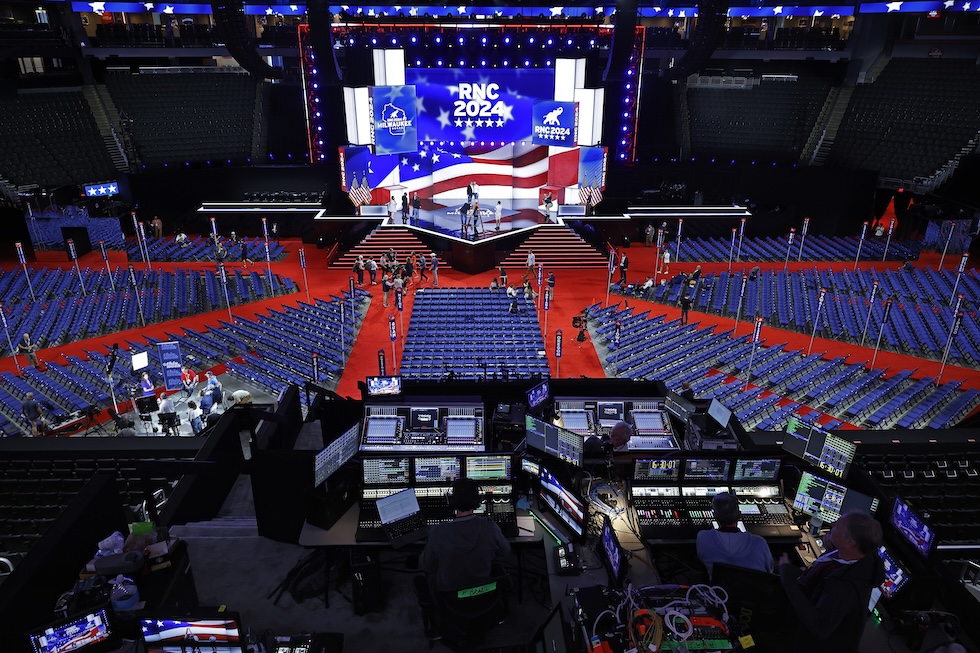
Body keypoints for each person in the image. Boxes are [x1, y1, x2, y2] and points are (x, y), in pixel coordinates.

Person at [777, 511, 884, 653]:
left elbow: (819, 626)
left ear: (850, 542)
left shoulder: (845, 587)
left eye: (838, 527)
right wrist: (833, 547)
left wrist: (787, 578)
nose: (832, 525)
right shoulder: (852, 554)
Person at [419, 478, 511, 593]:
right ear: (478, 501)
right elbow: (505, 551)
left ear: (451, 501)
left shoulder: (437, 532)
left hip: (449, 598)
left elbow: (426, 566)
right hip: (482, 594)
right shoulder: (490, 527)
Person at [697, 492, 773, 576]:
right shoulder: (760, 542)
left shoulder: (703, 538)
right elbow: (769, 570)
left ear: (715, 516)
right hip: (753, 588)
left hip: (720, 589)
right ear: (739, 515)